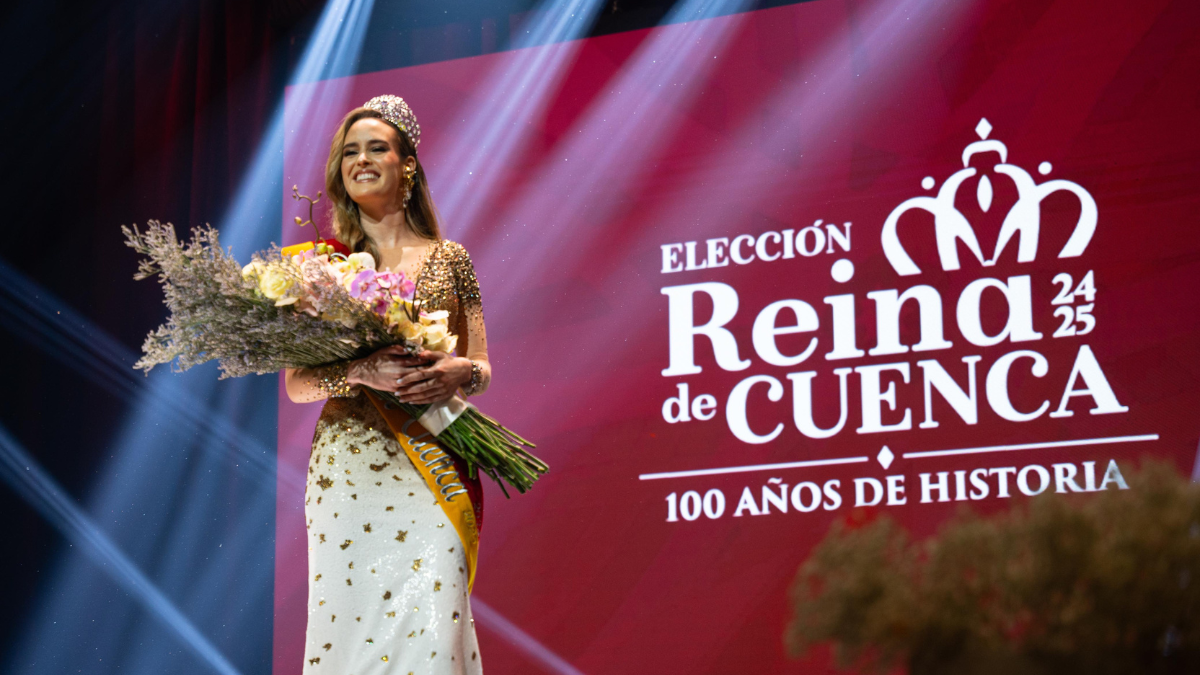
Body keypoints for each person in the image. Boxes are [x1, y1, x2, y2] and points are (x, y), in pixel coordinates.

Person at [284, 95, 490, 674]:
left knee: (435, 618)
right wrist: (360, 370)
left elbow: (483, 364)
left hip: (433, 457)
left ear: (408, 165)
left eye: (378, 147)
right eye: (350, 151)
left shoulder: (451, 259)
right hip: (349, 467)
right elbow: (298, 386)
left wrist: (460, 373)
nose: (362, 160)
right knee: (351, 635)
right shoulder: (322, 266)